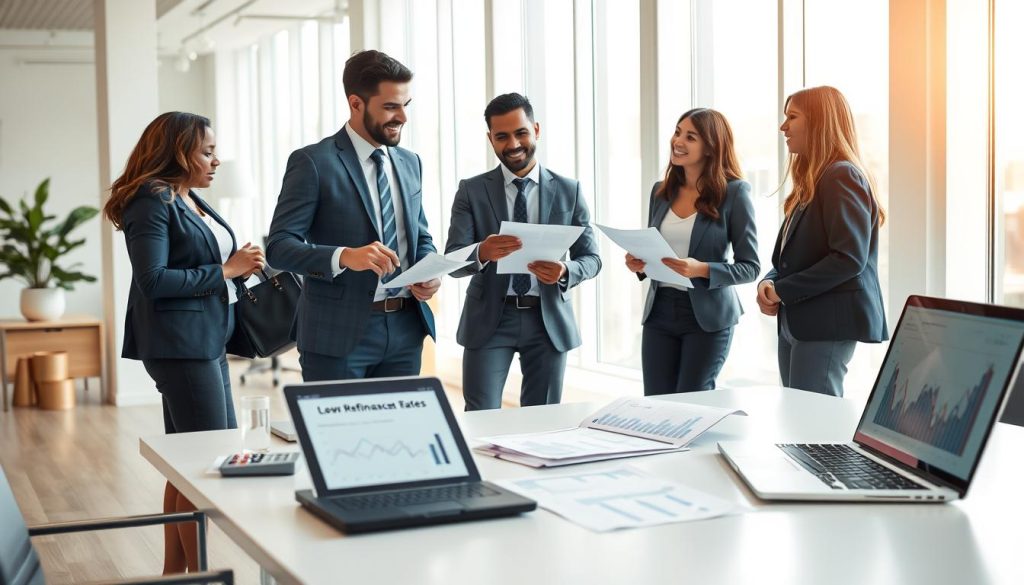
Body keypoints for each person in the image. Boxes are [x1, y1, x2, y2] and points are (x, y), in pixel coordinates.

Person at [102, 112, 264, 574]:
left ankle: (176, 574)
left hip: (206, 340)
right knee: (208, 462)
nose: (217, 161)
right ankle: (203, 575)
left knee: (186, 464)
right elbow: (153, 280)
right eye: (207, 152)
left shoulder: (188, 198)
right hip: (180, 347)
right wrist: (227, 270)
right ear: (177, 152)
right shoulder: (151, 200)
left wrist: (238, 264)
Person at [267, 50, 439, 381]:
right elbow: (279, 246)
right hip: (336, 334)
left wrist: (429, 270)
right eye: (390, 106)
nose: (403, 117)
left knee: (400, 434)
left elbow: (420, 235)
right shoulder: (313, 162)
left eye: (406, 105)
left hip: (405, 329)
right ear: (356, 104)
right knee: (338, 435)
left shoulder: (410, 162)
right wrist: (345, 256)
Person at [445, 93, 601, 410]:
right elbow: (453, 261)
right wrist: (482, 251)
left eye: (521, 133)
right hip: (490, 318)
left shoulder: (569, 191)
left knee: (542, 421)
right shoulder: (471, 191)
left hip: (548, 320)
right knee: (481, 415)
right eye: (502, 136)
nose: (513, 144)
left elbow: (592, 259)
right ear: (490, 139)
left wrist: (566, 271)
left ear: (536, 130)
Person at [756, 86, 888, 396]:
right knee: (798, 422)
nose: (783, 126)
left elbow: (848, 259)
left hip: (825, 323)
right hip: (799, 321)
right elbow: (791, 259)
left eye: (792, 117)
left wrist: (782, 289)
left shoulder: (841, 175)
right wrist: (769, 281)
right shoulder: (812, 183)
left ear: (819, 123)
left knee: (813, 429)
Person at [625, 108, 759, 395]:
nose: (678, 141)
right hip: (659, 311)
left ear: (711, 146)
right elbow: (657, 249)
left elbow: (750, 267)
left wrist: (701, 269)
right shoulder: (661, 191)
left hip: (706, 317)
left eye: (690, 136)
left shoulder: (735, 193)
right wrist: (640, 263)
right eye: (677, 132)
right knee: (656, 403)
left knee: (692, 403)